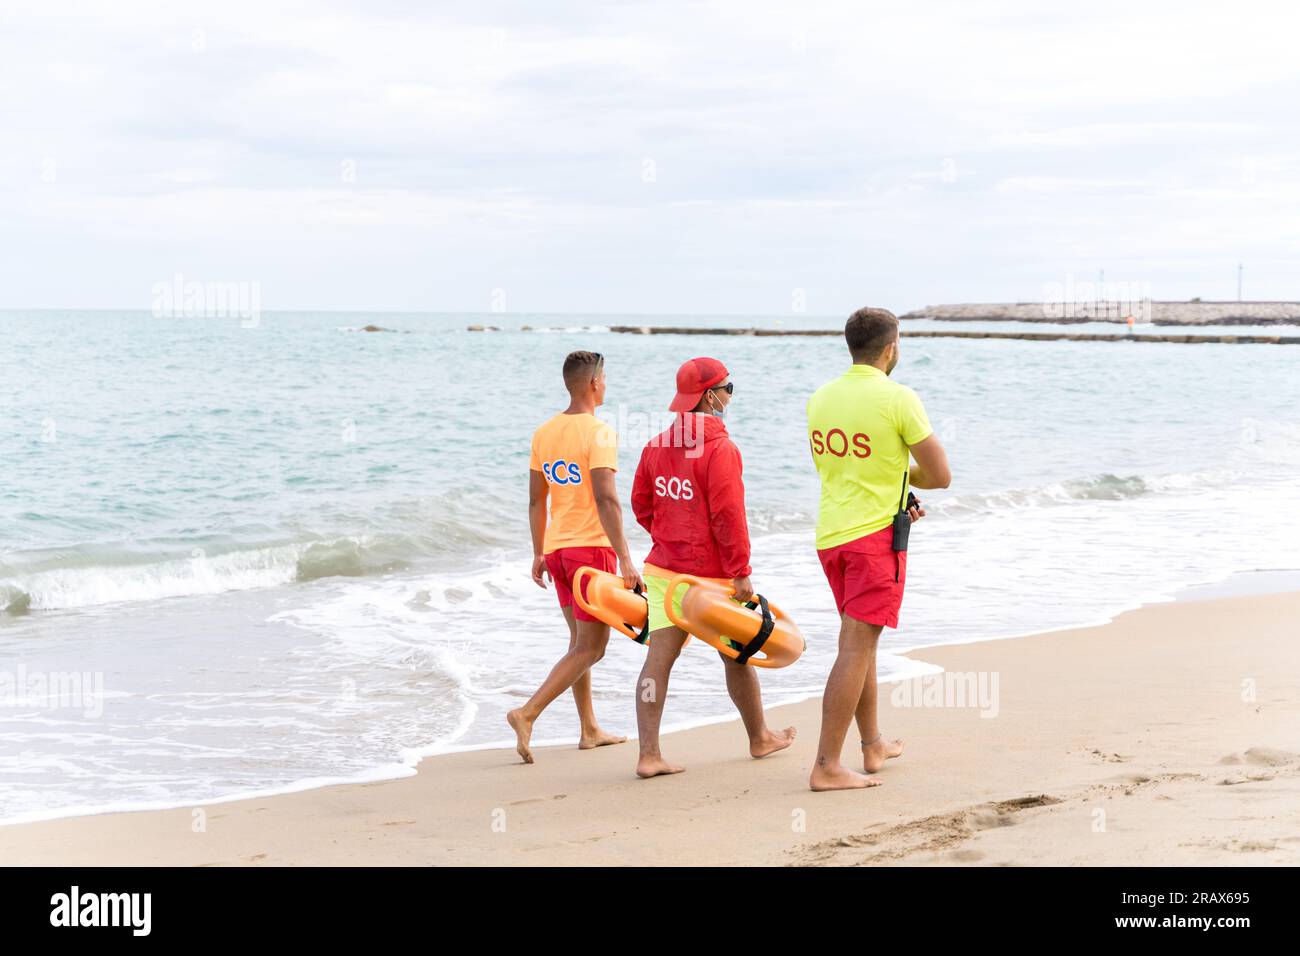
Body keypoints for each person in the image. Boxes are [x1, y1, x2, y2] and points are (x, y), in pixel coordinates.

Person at [805, 308, 951, 792]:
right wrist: (907, 481)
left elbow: (837, 468)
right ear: (891, 348)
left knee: (859, 641)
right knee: (855, 646)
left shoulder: (820, 399)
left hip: (832, 537)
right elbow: (940, 475)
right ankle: (826, 764)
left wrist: (895, 486)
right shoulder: (899, 397)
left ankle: (872, 745)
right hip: (872, 542)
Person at [630, 356, 796, 778]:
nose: (730, 396)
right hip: (712, 577)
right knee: (737, 656)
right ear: (709, 396)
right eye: (728, 389)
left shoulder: (655, 446)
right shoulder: (720, 449)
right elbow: (729, 516)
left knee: (659, 659)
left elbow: (641, 505)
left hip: (666, 572)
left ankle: (649, 754)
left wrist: (669, 537)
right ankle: (758, 737)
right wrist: (740, 571)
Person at [508, 350, 644, 764]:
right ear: (594, 384)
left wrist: (538, 551)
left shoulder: (544, 432)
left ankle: (589, 729)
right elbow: (607, 498)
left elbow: (535, 501)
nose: (606, 385)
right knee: (592, 648)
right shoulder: (599, 432)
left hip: (559, 551)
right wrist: (625, 558)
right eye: (605, 379)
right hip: (591, 550)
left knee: (578, 643)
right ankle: (527, 713)